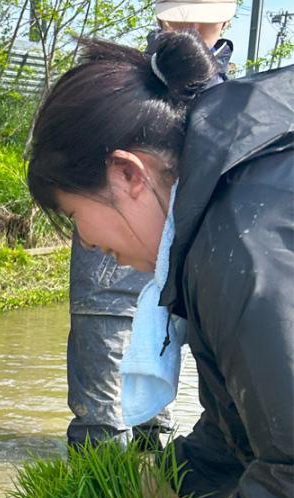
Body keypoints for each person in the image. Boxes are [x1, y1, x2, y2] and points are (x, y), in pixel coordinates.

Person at [26, 31, 293, 498]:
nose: (87, 243)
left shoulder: (239, 246)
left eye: (74, 216)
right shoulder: (234, 193)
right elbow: (242, 434)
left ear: (129, 174)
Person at [65, 0, 235, 449]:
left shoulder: (231, 95)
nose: (191, 25)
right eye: (181, 17)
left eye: (202, 18)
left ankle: (151, 485)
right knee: (102, 421)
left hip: (181, 278)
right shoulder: (126, 84)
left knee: (154, 416)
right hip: (111, 273)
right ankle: (104, 490)